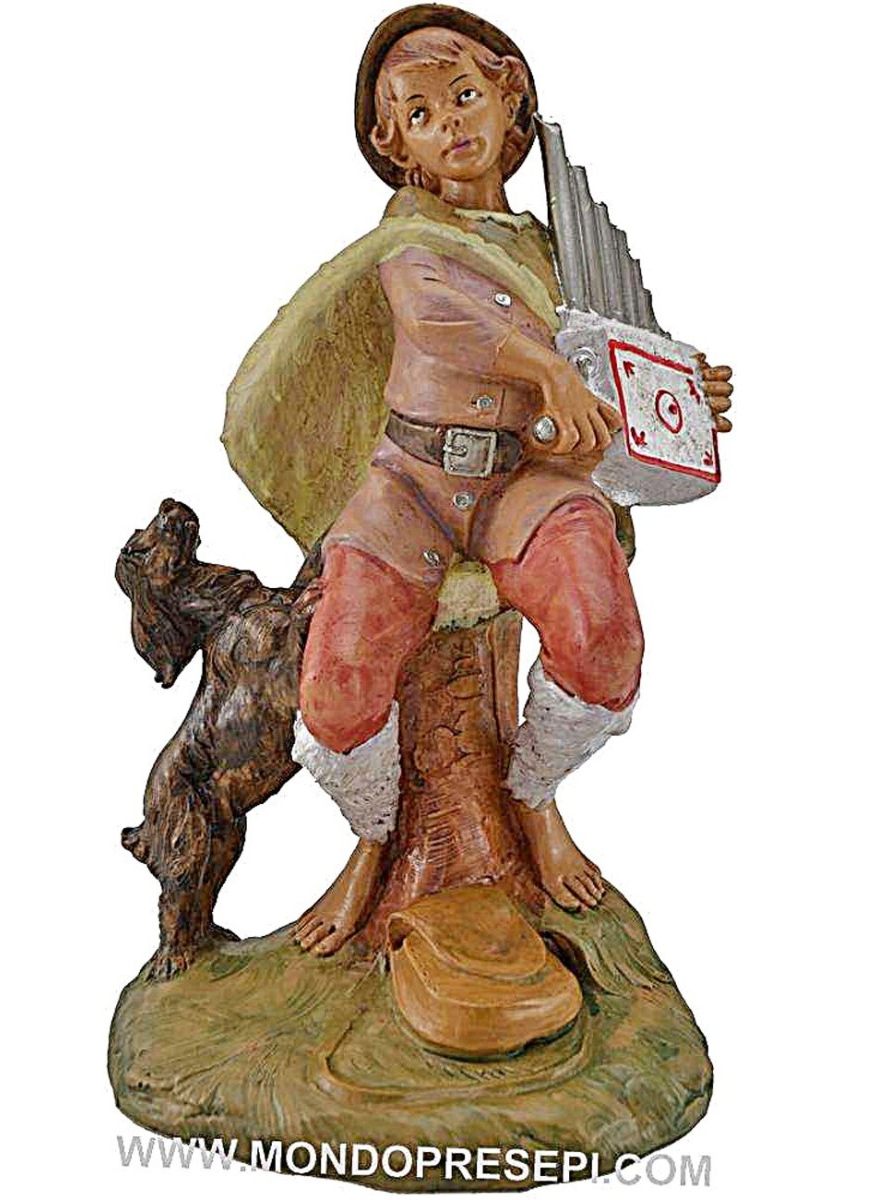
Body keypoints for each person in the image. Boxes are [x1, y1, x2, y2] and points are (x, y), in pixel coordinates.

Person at [222, 7, 732, 956]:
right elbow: (441, 316)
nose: (450, 123)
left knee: (603, 636)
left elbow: (607, 349)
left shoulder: (552, 250)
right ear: (396, 146)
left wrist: (677, 390)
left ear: (509, 100)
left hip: (522, 480)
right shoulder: (409, 239)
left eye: (464, 96)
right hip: (411, 483)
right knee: (337, 681)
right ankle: (374, 841)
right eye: (419, 114)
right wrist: (546, 368)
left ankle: (533, 798)